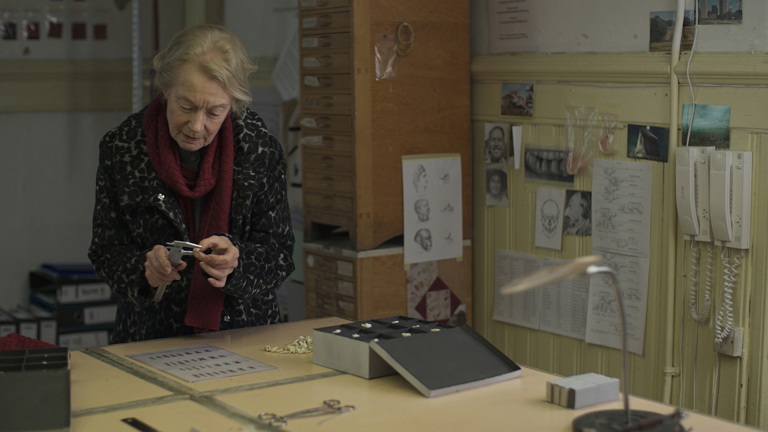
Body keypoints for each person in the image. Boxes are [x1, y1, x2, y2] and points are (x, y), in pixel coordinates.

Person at [88, 25, 295, 343]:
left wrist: (237, 263)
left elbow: (279, 254)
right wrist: (145, 270)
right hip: (150, 335)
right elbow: (106, 250)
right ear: (166, 90)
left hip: (243, 334)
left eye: (215, 112)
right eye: (186, 106)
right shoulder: (122, 147)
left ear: (232, 104)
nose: (197, 126)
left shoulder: (259, 149)